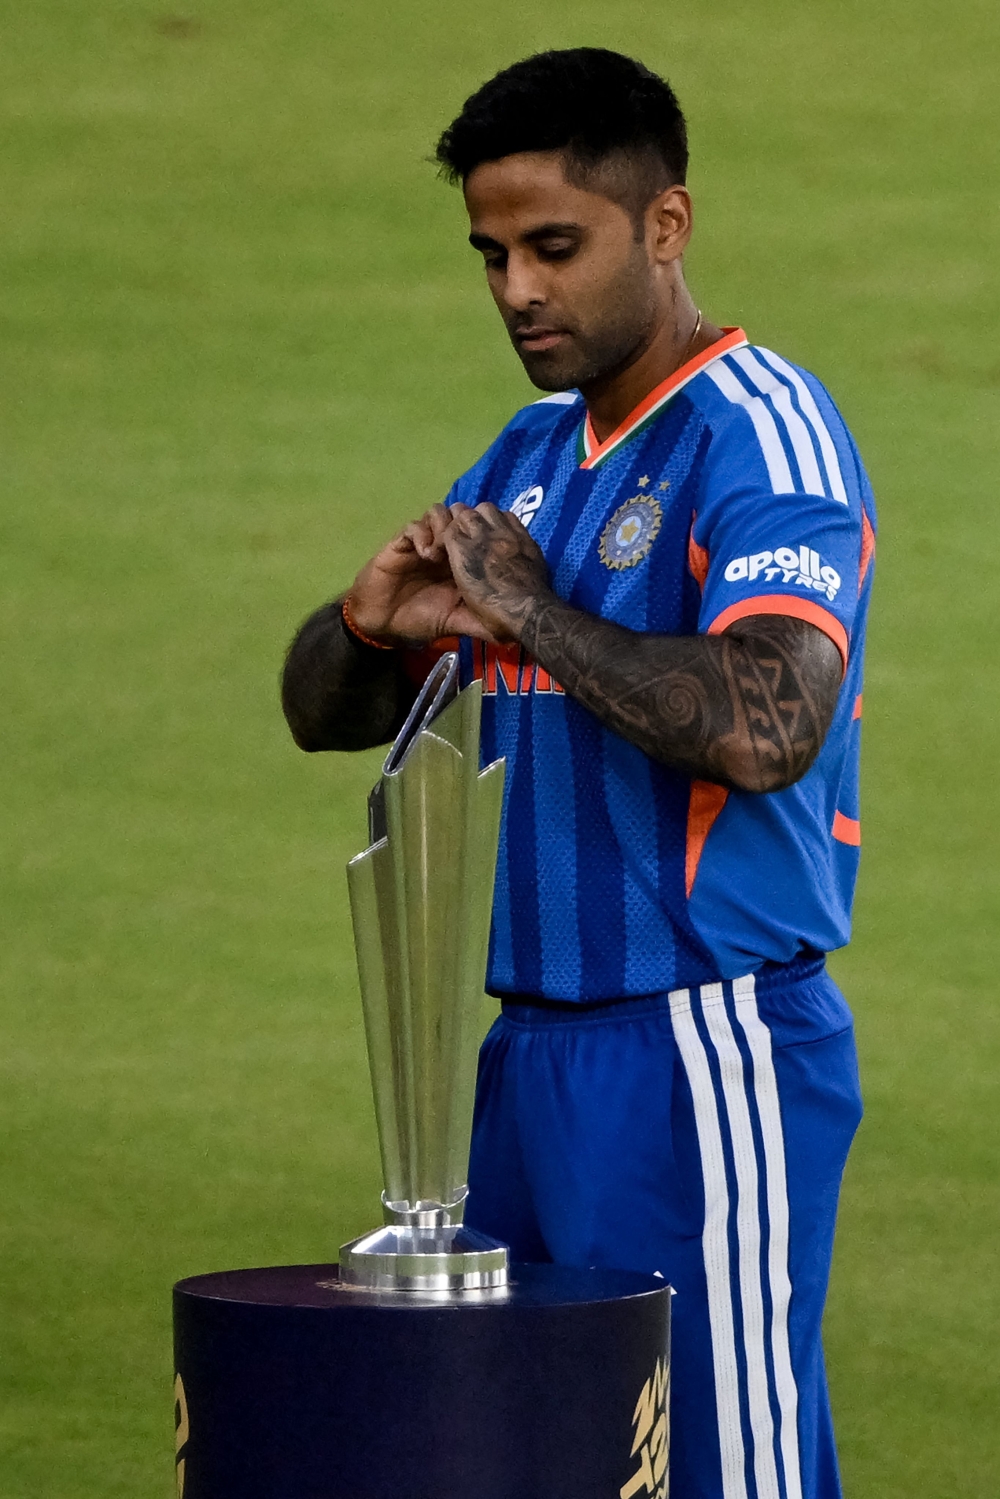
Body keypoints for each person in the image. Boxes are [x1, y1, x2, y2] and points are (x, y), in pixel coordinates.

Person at [281, 48, 874, 1499]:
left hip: (702, 1051)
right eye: (491, 255)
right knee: (542, 1457)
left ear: (664, 226)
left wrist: (537, 612)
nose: (517, 291)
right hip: (525, 1059)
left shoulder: (762, 432)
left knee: (721, 1465)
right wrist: (377, 625)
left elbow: (770, 720)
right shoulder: (534, 451)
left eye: (556, 248)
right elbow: (318, 714)